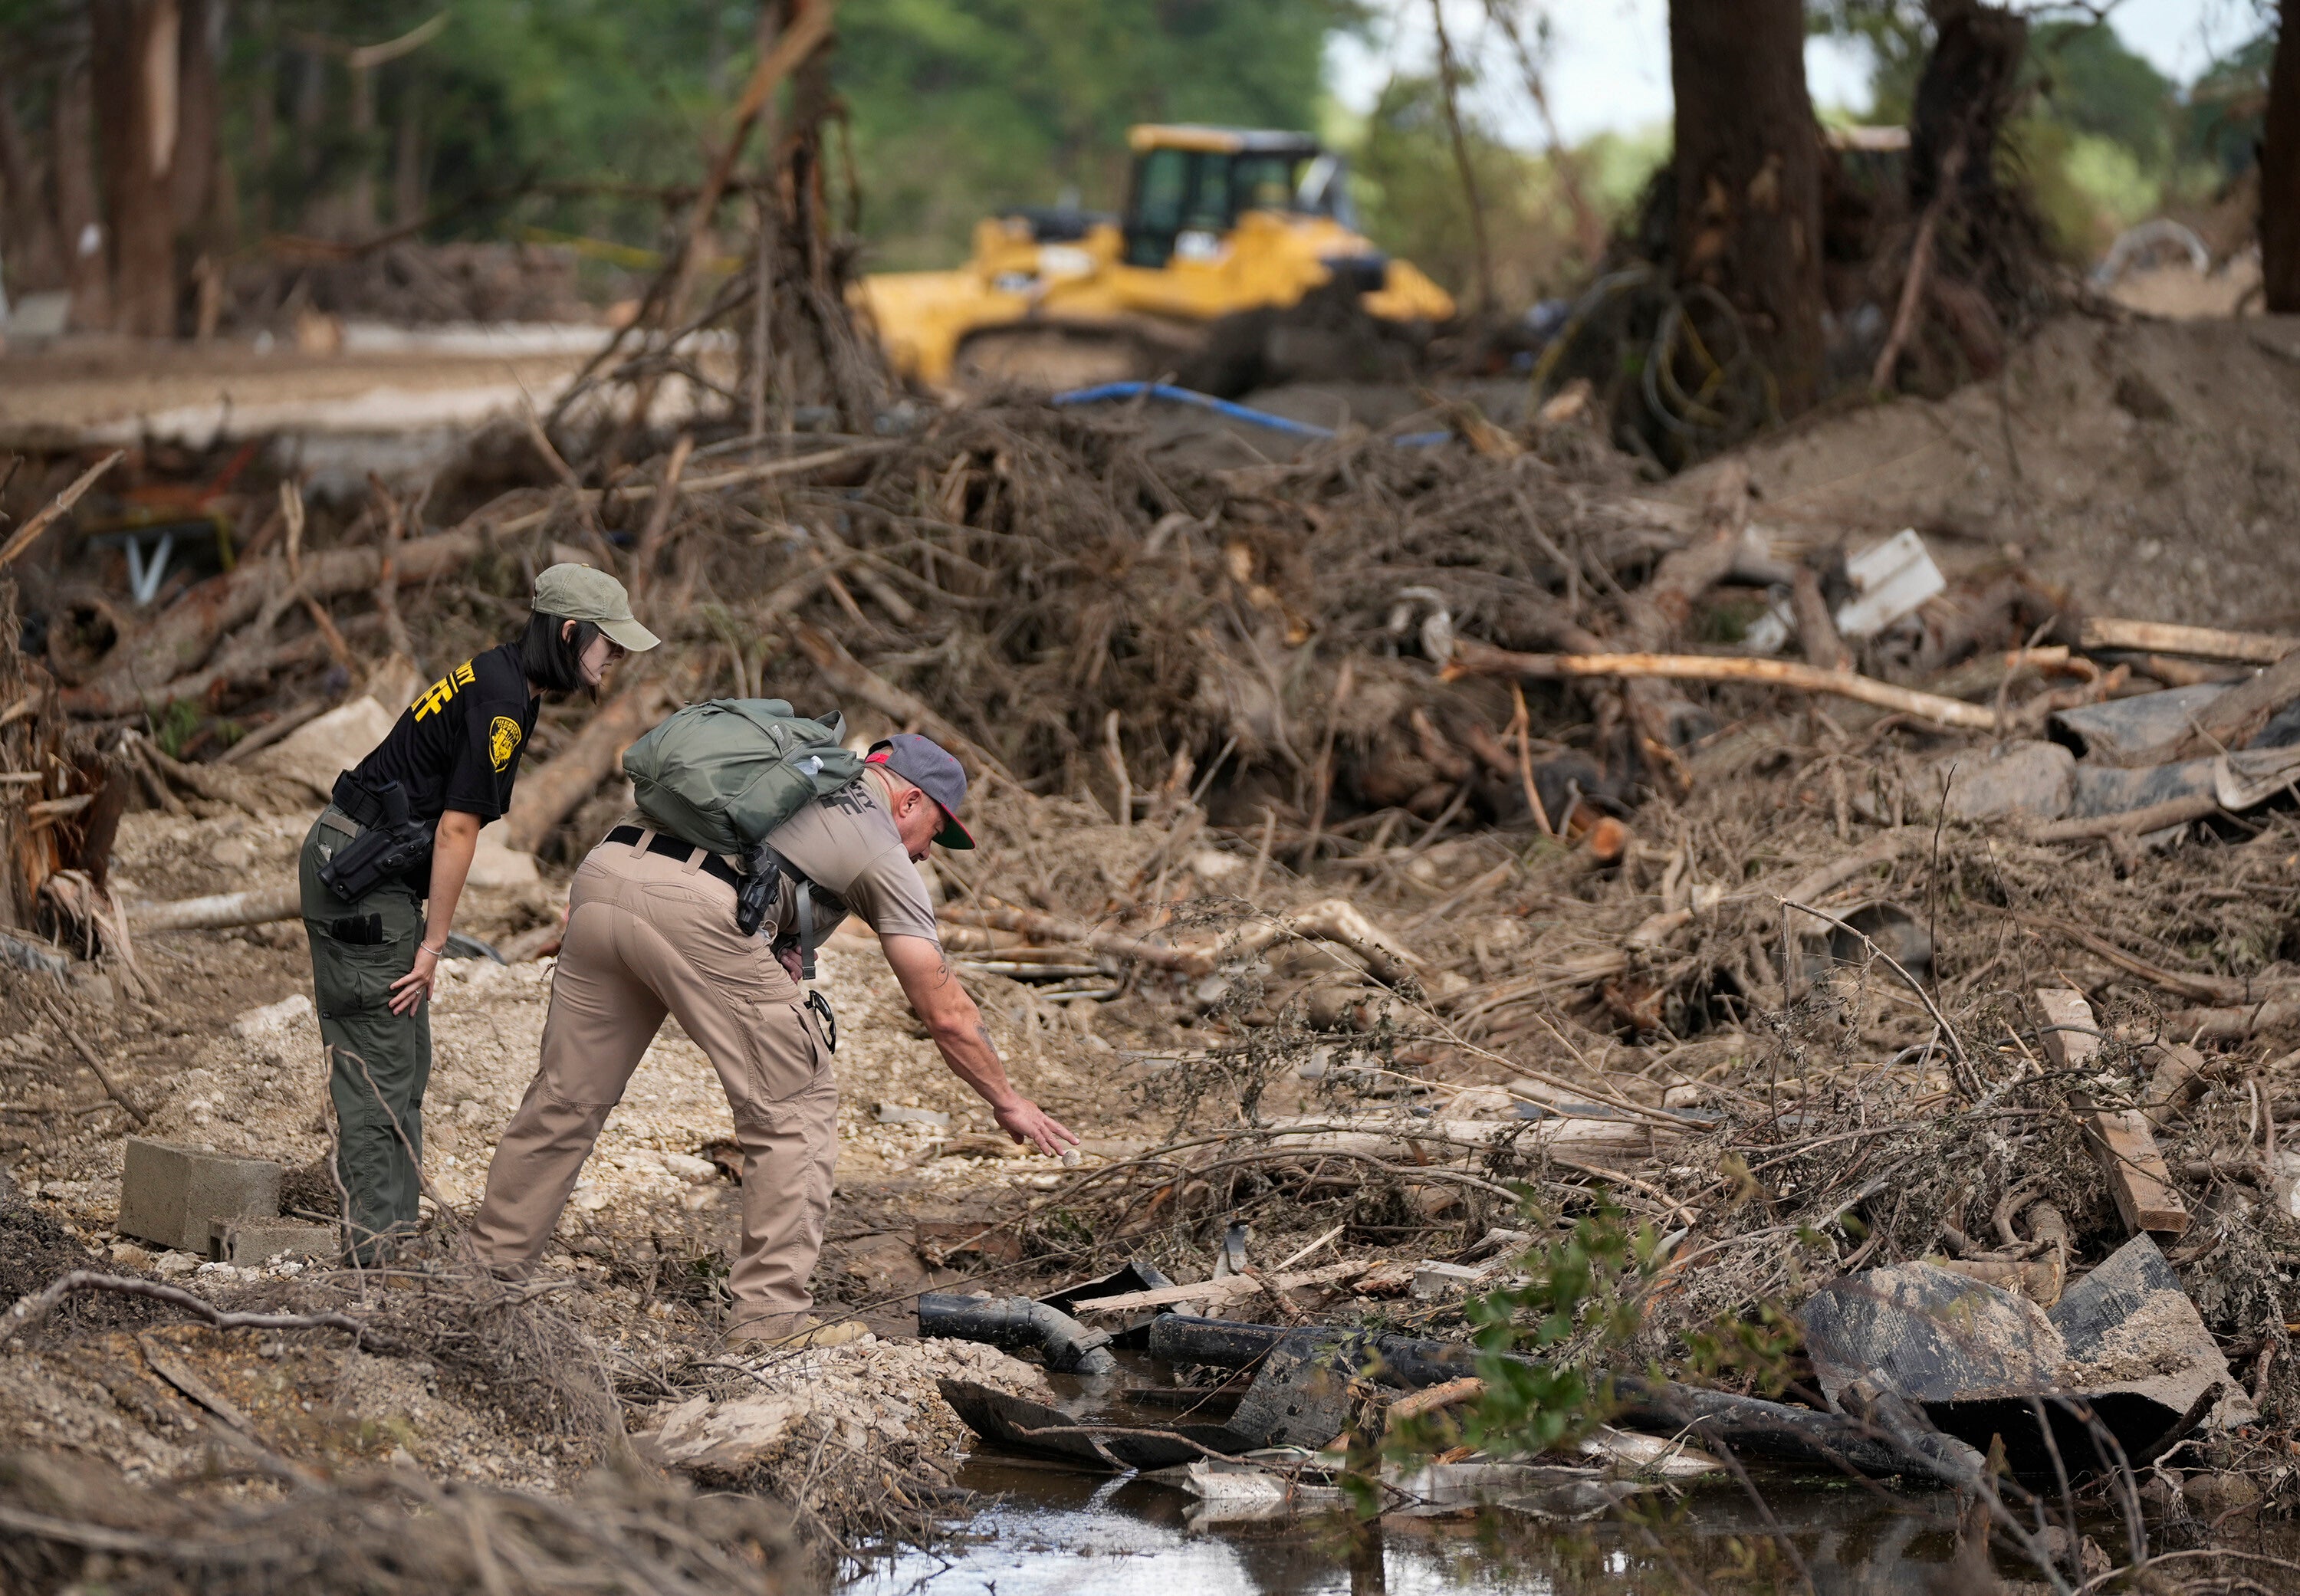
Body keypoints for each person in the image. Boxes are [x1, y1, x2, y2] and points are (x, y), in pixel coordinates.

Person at [469, 731, 1076, 1347]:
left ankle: (481, 1282)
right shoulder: (876, 840)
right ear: (909, 802)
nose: (928, 854)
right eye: (935, 833)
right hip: (693, 910)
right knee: (797, 1108)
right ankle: (770, 1328)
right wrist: (1006, 1100)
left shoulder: (793, 779)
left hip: (605, 878)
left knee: (566, 1097)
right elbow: (943, 1007)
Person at [300, 564, 659, 1263]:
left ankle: (391, 1237)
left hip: (371, 867)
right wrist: (434, 946)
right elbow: (456, 831)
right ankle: (374, 1256)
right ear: (568, 633)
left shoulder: (502, 678)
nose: (615, 660)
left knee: (404, 1062)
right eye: (608, 645)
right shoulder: (500, 700)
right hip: (359, 877)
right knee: (378, 1071)